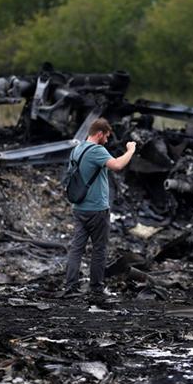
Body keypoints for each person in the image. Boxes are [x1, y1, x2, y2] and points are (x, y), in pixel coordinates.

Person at [63, 118, 136, 298]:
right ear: (100, 134)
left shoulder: (76, 150)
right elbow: (117, 165)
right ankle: (96, 287)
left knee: (76, 249)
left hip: (79, 208)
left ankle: (70, 286)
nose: (107, 140)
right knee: (99, 250)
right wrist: (131, 150)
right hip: (97, 210)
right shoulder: (97, 150)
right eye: (107, 136)